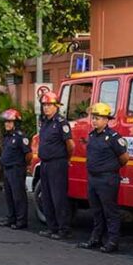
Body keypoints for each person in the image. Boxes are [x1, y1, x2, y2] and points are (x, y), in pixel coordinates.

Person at [78, 102, 128, 253]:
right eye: (93, 117)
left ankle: (112, 242)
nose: (94, 120)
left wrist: (110, 169)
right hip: (93, 179)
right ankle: (96, 238)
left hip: (107, 179)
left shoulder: (113, 137)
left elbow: (124, 158)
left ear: (106, 120)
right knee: (96, 211)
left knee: (110, 212)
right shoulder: (92, 135)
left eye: (98, 118)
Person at [37, 91, 75, 240]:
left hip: (57, 163)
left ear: (56, 106)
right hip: (45, 164)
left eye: (49, 105)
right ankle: (51, 227)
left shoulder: (61, 123)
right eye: (44, 105)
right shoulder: (45, 122)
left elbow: (70, 145)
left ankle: (63, 229)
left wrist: (67, 158)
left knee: (58, 197)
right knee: (46, 197)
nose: (46, 108)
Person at [0, 108, 32, 230]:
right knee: (9, 195)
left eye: (10, 122)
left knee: (18, 196)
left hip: (16, 169)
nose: (7, 124)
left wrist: (22, 165)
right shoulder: (7, 137)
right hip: (7, 169)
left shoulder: (20, 137)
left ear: (16, 123)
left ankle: (21, 221)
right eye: (6, 122)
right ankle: (11, 218)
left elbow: (28, 155)